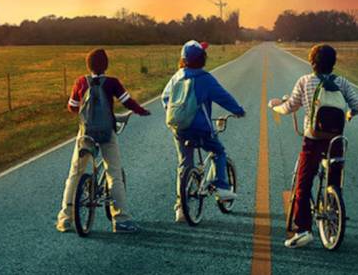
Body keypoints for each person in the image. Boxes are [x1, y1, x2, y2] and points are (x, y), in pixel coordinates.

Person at [269, 44, 358, 248]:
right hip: (336, 140)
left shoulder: (305, 81)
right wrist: (350, 114)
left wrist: (275, 106)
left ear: (312, 63)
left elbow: (290, 106)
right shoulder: (343, 83)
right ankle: (333, 214)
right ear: (333, 63)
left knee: (303, 184)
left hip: (313, 139)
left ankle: (303, 230)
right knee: (334, 181)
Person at [56, 48, 151, 234]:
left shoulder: (81, 82)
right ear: (106, 65)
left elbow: (72, 107)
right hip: (107, 133)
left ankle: (65, 218)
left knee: (75, 173)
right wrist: (141, 111)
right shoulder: (112, 83)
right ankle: (121, 219)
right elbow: (127, 102)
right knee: (114, 174)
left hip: (86, 133)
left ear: (88, 65)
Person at [162, 40, 245, 223]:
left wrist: (177, 113)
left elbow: (165, 98)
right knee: (218, 151)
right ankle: (222, 187)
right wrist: (238, 110)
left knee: (184, 164)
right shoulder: (205, 78)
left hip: (179, 128)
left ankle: (180, 209)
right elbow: (223, 97)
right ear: (203, 59)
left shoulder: (176, 77)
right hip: (201, 129)